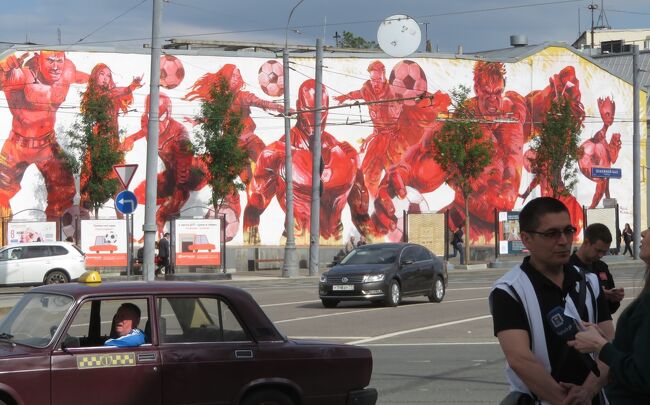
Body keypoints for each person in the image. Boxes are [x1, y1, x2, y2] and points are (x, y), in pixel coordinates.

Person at [489, 197, 613, 405]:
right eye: (551, 234)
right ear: (526, 239)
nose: (564, 240)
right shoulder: (509, 291)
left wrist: (587, 392)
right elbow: (520, 359)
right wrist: (566, 400)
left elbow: (610, 344)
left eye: (568, 231)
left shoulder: (589, 283)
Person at [243, 79, 375, 244]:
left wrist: (380, 248)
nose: (315, 118)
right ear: (299, 106)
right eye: (309, 110)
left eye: (322, 110)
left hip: (334, 246)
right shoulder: (275, 154)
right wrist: (251, 251)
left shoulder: (347, 154)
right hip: (295, 245)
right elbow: (253, 210)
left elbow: (361, 214)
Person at [0, 51, 88, 220]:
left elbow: (79, 77)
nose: (55, 66)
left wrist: (101, 83)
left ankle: (58, 238)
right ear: (38, 58)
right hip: (17, 147)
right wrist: (5, 66)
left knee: (65, 191)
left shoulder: (66, 72)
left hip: (47, 145)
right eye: (50, 60)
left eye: (59, 60)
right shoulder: (21, 75)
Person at [568, 228, 650, 403]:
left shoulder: (599, 270)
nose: (642, 232)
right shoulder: (569, 266)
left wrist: (601, 345)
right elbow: (629, 349)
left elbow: (642, 374)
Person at [569, 223, 625, 315]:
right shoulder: (568, 266)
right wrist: (595, 294)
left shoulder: (602, 267)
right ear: (586, 242)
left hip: (602, 326)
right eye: (598, 250)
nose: (600, 255)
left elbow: (611, 310)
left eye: (604, 252)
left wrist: (614, 298)